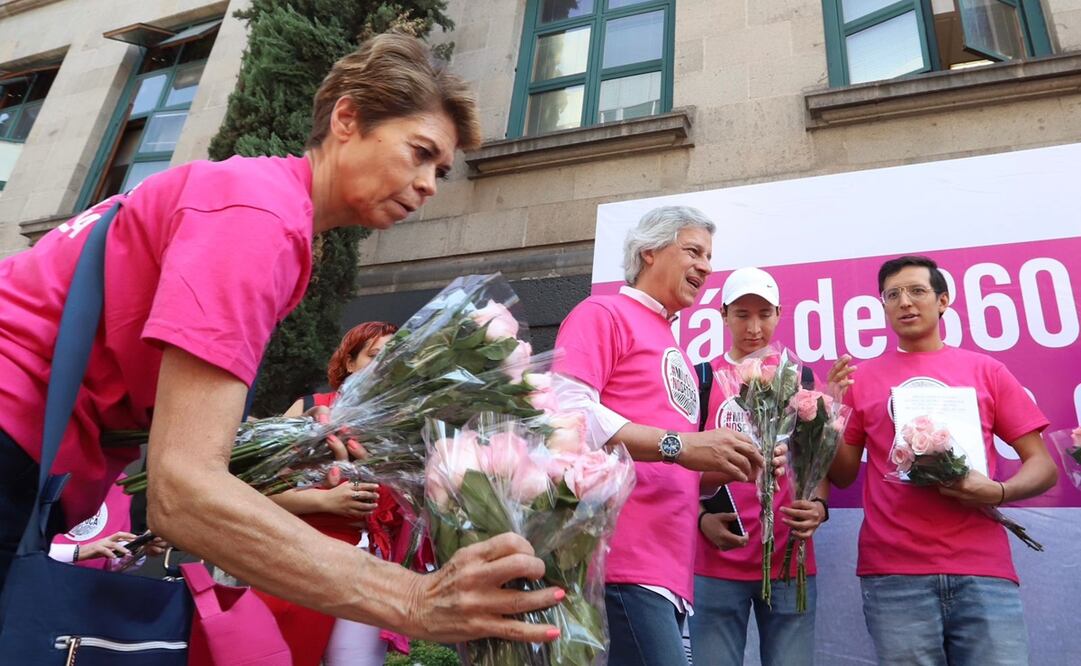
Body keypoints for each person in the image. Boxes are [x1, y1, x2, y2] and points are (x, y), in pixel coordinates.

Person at [0, 33, 563, 643]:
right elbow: (184, 490)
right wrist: (412, 597)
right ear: (346, 118)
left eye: (441, 170)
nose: (429, 184)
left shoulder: (260, 203)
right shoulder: (258, 217)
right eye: (420, 152)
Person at [553, 206, 779, 666]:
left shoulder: (671, 341)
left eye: (710, 256)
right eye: (693, 251)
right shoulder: (603, 312)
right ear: (649, 252)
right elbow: (566, 413)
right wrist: (683, 445)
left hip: (670, 568)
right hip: (619, 556)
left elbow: (676, 466)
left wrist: (720, 469)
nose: (707, 266)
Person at [829, 255, 1058, 666]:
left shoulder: (987, 370)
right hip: (894, 572)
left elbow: (1043, 466)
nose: (904, 302)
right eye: (892, 295)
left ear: (943, 301)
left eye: (917, 291)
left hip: (983, 569)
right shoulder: (860, 378)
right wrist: (830, 414)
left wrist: (998, 490)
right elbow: (843, 475)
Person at [689, 267, 832, 666]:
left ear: (779, 314)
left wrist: (818, 509)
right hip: (716, 560)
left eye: (764, 314)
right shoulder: (701, 379)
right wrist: (701, 519)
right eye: (742, 314)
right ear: (723, 315)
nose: (754, 327)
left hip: (790, 561)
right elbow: (676, 465)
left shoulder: (802, 379)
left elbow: (816, 465)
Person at [263, 321, 405, 666]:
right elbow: (257, 491)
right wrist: (323, 500)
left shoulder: (402, 423)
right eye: (374, 355)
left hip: (366, 567)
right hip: (296, 554)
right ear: (349, 362)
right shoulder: (309, 408)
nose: (384, 363)